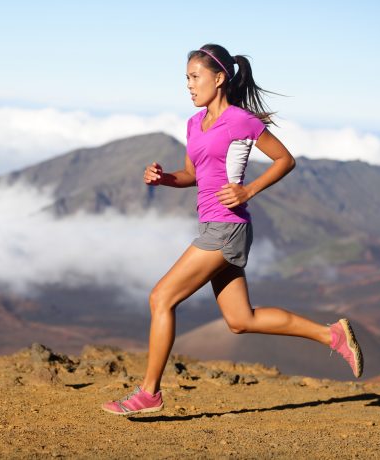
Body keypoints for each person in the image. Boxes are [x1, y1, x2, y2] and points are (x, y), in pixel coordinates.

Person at [101, 44, 363, 416]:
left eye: (195, 77)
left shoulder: (241, 121)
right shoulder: (194, 124)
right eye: (186, 79)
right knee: (242, 320)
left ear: (219, 77)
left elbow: (285, 159)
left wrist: (248, 189)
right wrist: (163, 179)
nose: (189, 86)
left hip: (227, 228)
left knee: (161, 298)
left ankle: (149, 393)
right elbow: (192, 175)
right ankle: (331, 335)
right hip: (215, 225)